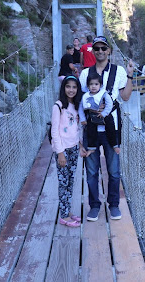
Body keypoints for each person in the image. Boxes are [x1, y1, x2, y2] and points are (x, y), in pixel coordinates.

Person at [79, 35, 134, 221]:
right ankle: (94, 206)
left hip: (113, 127)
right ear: (92, 51)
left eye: (104, 48)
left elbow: (125, 97)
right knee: (92, 171)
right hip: (92, 128)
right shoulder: (86, 74)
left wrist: (130, 75)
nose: (100, 51)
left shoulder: (118, 71)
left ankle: (114, 205)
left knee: (114, 170)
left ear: (109, 51)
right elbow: (82, 100)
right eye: (97, 49)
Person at [50, 75, 83, 227]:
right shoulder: (58, 106)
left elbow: (76, 128)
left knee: (70, 182)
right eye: (68, 86)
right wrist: (60, 153)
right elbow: (54, 132)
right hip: (63, 150)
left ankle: (67, 211)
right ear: (63, 88)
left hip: (74, 148)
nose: (71, 90)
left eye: (74, 87)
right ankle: (63, 216)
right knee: (63, 183)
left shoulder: (76, 106)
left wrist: (80, 145)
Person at [78, 71, 115, 154]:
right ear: (87, 86)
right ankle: (92, 147)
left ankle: (114, 144)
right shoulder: (85, 96)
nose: (93, 86)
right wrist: (83, 119)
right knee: (90, 129)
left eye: (96, 84)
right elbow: (80, 108)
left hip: (103, 115)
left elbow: (109, 104)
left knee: (110, 126)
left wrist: (104, 113)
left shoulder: (104, 94)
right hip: (92, 116)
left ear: (100, 85)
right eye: (91, 84)